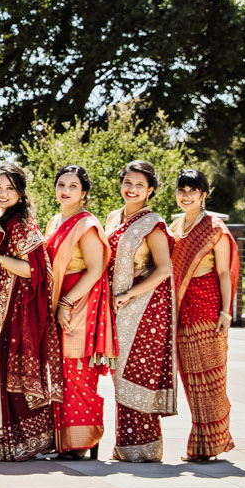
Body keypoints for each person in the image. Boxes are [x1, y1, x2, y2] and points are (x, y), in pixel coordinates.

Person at [0, 164, 62, 461]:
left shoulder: (24, 225)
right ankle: (18, 443)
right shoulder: (0, 219)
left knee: (21, 374)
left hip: (22, 308)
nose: (2, 194)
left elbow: (34, 270)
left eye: (9, 189)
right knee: (9, 373)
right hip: (6, 307)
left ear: (20, 193)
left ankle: (33, 442)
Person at [106, 160, 177, 463]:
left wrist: (128, 294)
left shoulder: (153, 223)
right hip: (114, 307)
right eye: (128, 182)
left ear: (149, 191)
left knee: (137, 373)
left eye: (139, 185)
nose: (131, 189)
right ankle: (126, 445)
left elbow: (164, 269)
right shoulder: (112, 217)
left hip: (144, 307)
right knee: (118, 374)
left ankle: (146, 447)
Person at [170, 167, 239, 463]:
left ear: (204, 195)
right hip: (182, 308)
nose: (186, 196)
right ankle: (203, 440)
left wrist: (226, 311)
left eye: (192, 191)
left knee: (210, 375)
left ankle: (212, 440)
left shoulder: (214, 227)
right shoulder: (174, 226)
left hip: (208, 307)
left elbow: (224, 271)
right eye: (182, 190)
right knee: (191, 376)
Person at [46, 164, 113, 460]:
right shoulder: (54, 221)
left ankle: (83, 440)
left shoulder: (86, 224)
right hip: (58, 298)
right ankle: (65, 441)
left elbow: (95, 269)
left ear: (84, 193)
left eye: (73, 186)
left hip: (80, 303)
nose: (66, 190)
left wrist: (66, 302)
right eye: (62, 184)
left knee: (79, 373)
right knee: (60, 374)